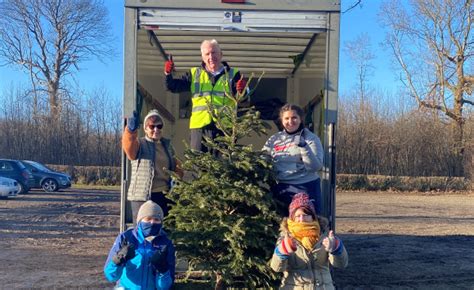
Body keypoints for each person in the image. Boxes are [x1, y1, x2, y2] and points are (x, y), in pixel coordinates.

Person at [164, 39, 247, 152]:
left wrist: (242, 90)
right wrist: (168, 74)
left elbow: (244, 98)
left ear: (221, 54)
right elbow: (172, 86)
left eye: (214, 53)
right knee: (198, 166)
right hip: (199, 129)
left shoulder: (233, 74)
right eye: (207, 54)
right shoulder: (194, 74)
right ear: (202, 57)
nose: (211, 57)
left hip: (224, 129)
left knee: (223, 166)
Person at [271, 193, 348, 289]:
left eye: (306, 215)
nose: (302, 219)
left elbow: (341, 264)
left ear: (313, 216)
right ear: (292, 218)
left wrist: (336, 248)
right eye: (298, 216)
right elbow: (276, 268)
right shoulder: (285, 237)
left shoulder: (325, 235)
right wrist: (282, 251)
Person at [123, 109, 183, 223]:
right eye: (152, 126)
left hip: (164, 195)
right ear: (145, 129)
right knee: (144, 231)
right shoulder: (140, 144)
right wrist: (130, 131)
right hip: (142, 197)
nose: (156, 129)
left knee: (164, 230)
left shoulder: (168, 146)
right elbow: (129, 149)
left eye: (159, 126)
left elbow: (178, 166)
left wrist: (177, 178)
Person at [263, 103, 324, 214]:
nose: (290, 122)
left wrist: (304, 147)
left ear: (300, 119)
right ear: (282, 120)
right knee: (283, 224)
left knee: (305, 224)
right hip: (282, 188)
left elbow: (315, 167)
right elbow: (263, 159)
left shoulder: (311, 138)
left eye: (294, 118)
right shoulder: (274, 139)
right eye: (286, 118)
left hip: (306, 187)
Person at [104, 201, 176, 289]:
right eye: (148, 219)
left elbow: (164, 287)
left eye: (156, 219)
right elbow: (111, 276)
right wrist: (118, 259)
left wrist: (163, 269)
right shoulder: (126, 237)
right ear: (140, 220)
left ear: (161, 223)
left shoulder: (165, 243)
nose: (152, 222)